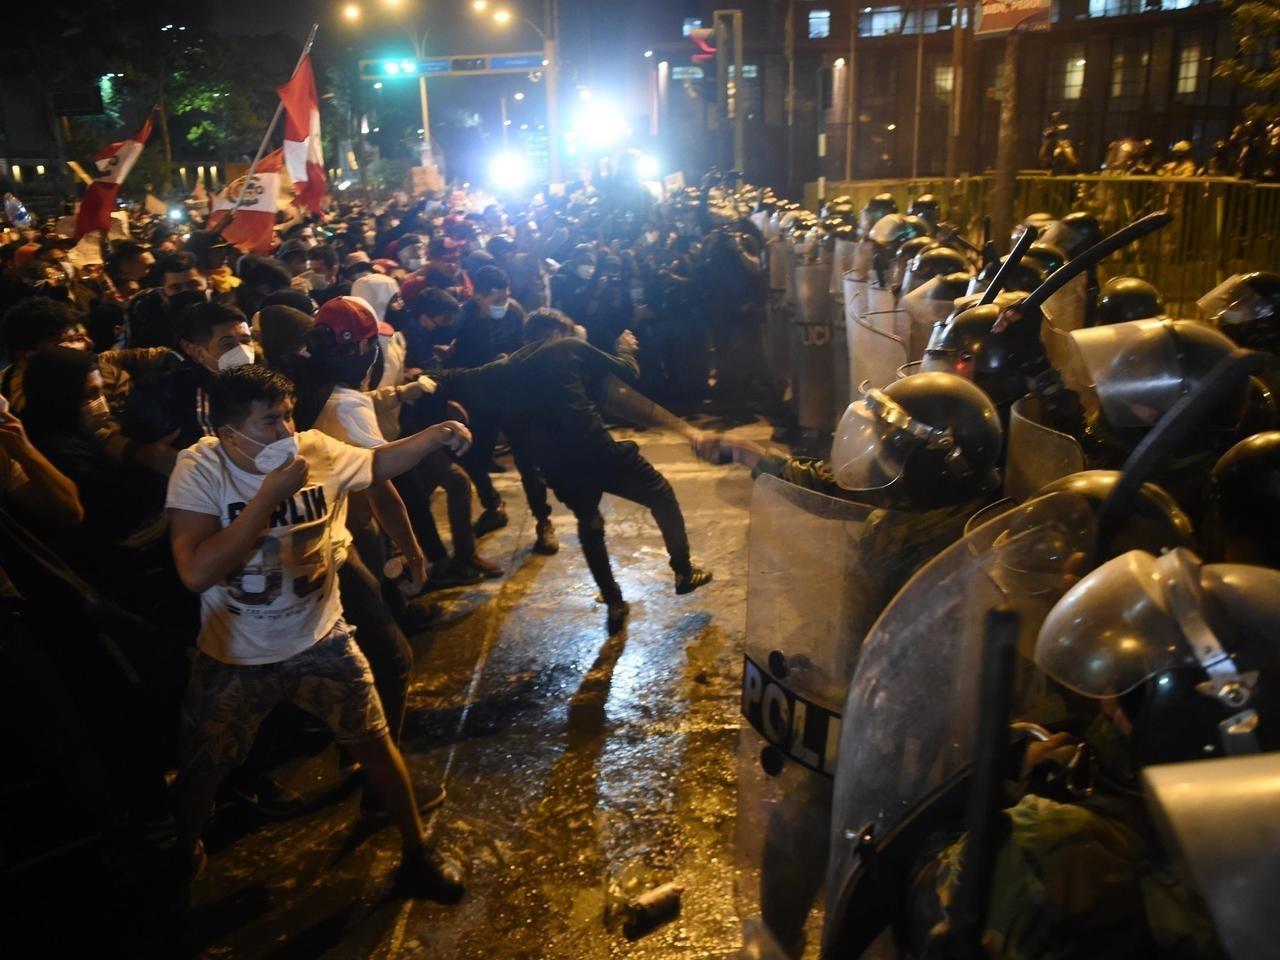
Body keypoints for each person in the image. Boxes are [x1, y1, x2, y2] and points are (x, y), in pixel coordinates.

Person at [165, 364, 469, 904]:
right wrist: (267, 499)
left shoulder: (314, 449)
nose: (286, 433)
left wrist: (432, 436)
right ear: (227, 429)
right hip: (234, 652)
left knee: (374, 742)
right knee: (202, 766)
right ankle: (183, 853)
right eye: (269, 422)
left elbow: (376, 465)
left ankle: (416, 852)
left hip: (321, 639)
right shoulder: (201, 466)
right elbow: (194, 571)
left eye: (287, 417)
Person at [435, 314, 712, 633]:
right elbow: (627, 371)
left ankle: (613, 600)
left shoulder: (503, 369)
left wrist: (421, 378)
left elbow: (457, 377)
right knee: (661, 494)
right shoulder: (566, 347)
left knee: (590, 524)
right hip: (599, 451)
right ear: (557, 332)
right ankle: (683, 569)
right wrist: (625, 348)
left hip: (558, 466)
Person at [448, 265, 558, 554]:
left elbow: (531, 348)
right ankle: (493, 505)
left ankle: (544, 522)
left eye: (505, 297)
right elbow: (454, 365)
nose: (503, 304)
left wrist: (513, 362)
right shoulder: (462, 319)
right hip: (481, 403)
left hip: (515, 401)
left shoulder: (515, 313)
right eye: (496, 300)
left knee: (529, 465)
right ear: (478, 296)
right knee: (472, 459)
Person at [123, 253, 209, 348]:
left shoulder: (223, 304)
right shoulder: (147, 314)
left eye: (192, 285)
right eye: (176, 288)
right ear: (163, 291)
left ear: (206, 281)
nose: (185, 291)